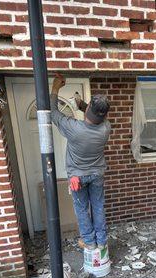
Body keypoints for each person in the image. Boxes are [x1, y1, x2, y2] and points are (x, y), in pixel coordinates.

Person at [50, 73, 111, 251]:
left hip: (78, 177)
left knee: (82, 208)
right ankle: (101, 241)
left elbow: (53, 113)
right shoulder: (106, 127)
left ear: (89, 109)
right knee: (98, 206)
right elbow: (98, 117)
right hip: (97, 174)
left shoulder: (74, 128)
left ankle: (89, 242)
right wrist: (81, 105)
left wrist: (55, 87)